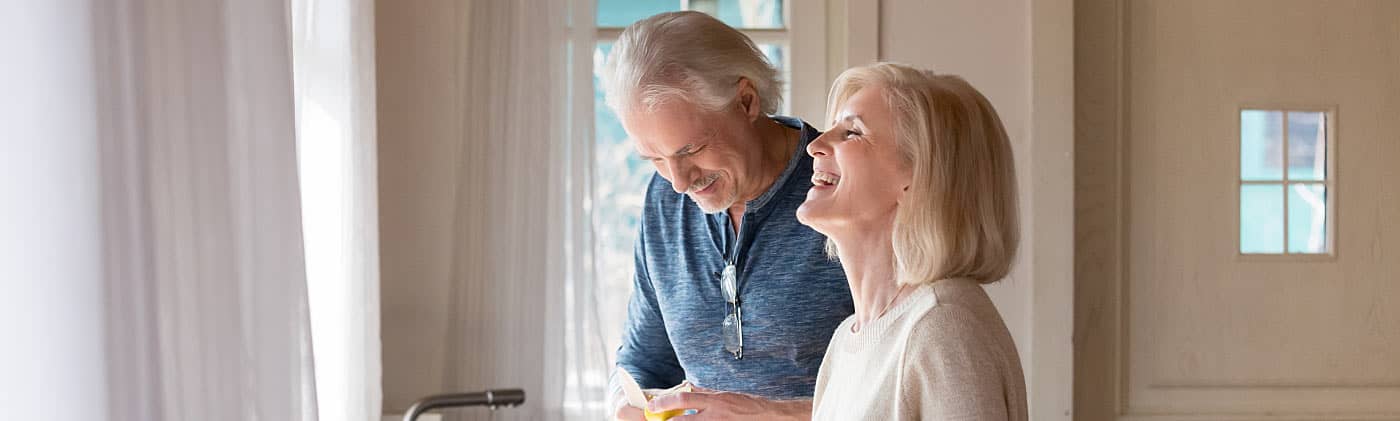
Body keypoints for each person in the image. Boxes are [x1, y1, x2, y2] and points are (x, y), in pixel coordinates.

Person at [601, 11, 854, 421]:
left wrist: (768, 415)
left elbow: (898, 391)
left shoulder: (843, 190)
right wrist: (625, 404)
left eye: (689, 150)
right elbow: (644, 361)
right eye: (655, 159)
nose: (679, 182)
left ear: (746, 101)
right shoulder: (665, 199)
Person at [797, 63, 1028, 420]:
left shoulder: (944, 327)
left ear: (919, 176)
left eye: (852, 132)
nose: (815, 146)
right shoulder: (849, 338)